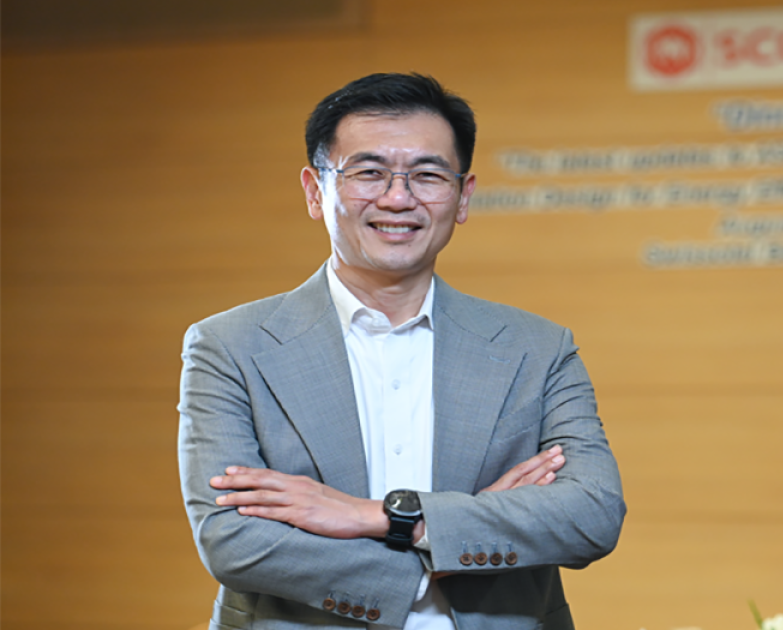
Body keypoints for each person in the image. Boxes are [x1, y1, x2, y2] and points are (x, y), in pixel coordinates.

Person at [178, 73, 624, 630]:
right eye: (368, 172)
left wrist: (376, 517)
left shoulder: (538, 348)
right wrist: (448, 544)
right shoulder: (229, 346)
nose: (397, 198)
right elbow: (233, 541)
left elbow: (591, 514)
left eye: (428, 175)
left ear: (463, 196)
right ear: (315, 192)